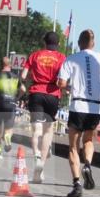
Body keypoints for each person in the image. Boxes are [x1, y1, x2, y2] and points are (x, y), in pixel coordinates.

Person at [57, 29, 100, 197]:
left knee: (73, 146)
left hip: (78, 105)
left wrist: (69, 88)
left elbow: (61, 82)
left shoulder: (72, 59)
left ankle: (76, 183)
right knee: (88, 140)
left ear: (79, 43)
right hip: (95, 108)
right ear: (93, 43)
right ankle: (88, 164)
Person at [20, 31, 66, 183]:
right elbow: (63, 80)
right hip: (53, 94)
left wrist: (24, 84)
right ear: (57, 44)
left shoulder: (34, 55)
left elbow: (23, 75)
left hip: (36, 92)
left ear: (44, 42)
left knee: (36, 130)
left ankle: (37, 156)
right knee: (48, 131)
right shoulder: (61, 58)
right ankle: (41, 168)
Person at [0, 57, 20, 159]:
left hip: (0, 103)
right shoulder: (16, 77)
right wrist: (17, 97)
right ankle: (7, 138)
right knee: (8, 128)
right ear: (10, 65)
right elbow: (23, 89)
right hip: (11, 104)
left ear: (1, 65)